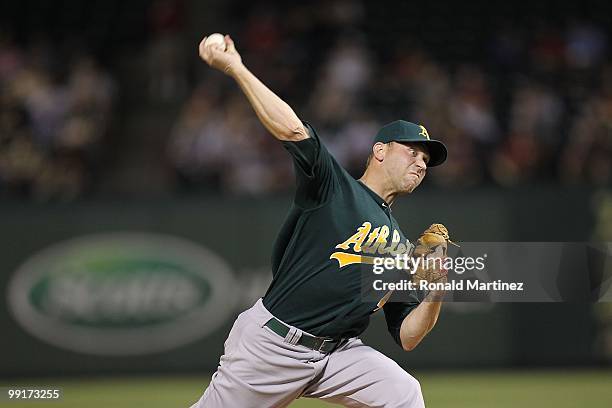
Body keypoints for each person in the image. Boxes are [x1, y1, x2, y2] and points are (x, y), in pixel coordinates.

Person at [191, 34, 449, 408]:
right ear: (379, 151)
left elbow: (408, 335)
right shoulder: (335, 187)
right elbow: (293, 130)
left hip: (338, 355)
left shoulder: (403, 249)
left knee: (405, 393)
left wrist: (437, 292)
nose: (421, 163)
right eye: (412, 152)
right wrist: (236, 67)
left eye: (426, 161)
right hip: (274, 347)